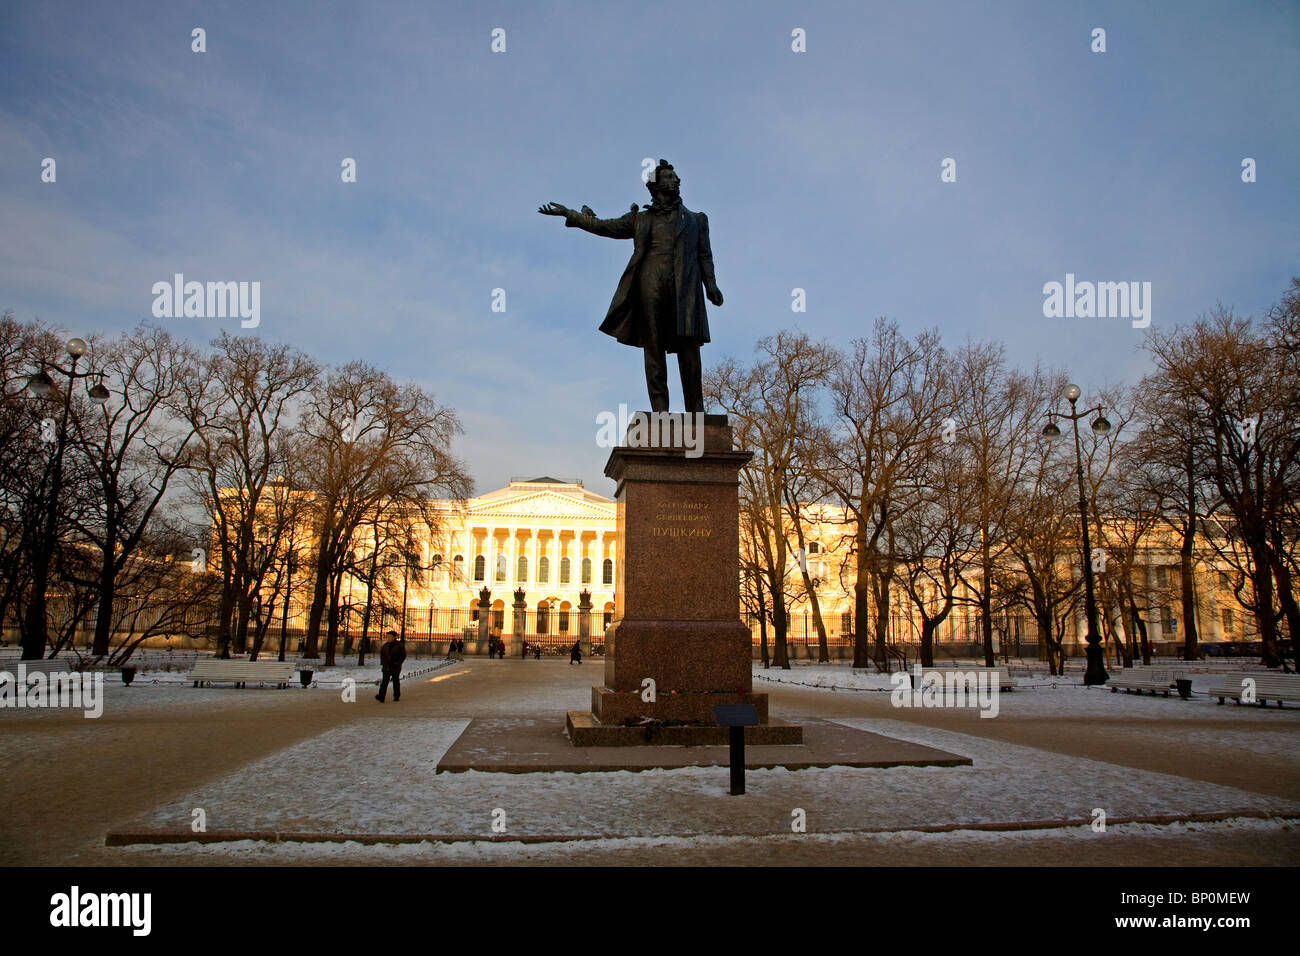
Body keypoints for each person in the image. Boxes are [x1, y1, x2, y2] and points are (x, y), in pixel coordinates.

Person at [538, 159, 722, 412]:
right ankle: (660, 412)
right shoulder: (641, 219)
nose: (677, 180)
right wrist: (571, 214)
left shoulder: (697, 220)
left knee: (689, 348)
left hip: (686, 288)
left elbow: (705, 255)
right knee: (653, 346)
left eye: (676, 177)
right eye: (670, 177)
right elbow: (605, 227)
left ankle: (696, 411)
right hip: (651, 283)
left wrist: (710, 285)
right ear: (656, 186)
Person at [376, 630, 405, 703]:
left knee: (395, 681)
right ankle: (381, 696)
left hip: (395, 667)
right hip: (386, 667)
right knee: (384, 682)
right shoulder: (385, 646)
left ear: (394, 637)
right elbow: (382, 656)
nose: (388, 638)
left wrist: (398, 663)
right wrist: (383, 664)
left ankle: (396, 696)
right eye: (387, 637)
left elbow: (403, 656)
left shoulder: (399, 646)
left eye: (390, 637)